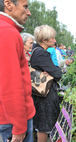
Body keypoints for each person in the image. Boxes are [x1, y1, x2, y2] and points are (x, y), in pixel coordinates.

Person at [0, 0, 36, 142]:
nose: (29, 12)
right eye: (25, 7)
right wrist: (19, 125)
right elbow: (10, 84)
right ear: (8, 4)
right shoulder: (7, 32)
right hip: (12, 121)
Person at [31, 25, 62, 142]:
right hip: (45, 96)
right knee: (43, 127)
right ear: (44, 40)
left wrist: (53, 70)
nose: (55, 41)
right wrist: (55, 70)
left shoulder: (36, 50)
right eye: (52, 38)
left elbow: (54, 71)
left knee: (42, 125)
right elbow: (58, 73)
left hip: (41, 95)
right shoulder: (41, 54)